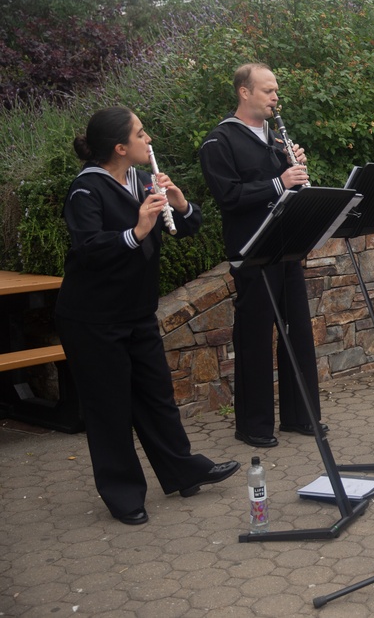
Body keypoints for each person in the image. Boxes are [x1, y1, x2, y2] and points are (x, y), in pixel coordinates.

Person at [56, 107, 240, 525]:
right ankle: (123, 493)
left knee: (156, 397)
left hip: (136, 311)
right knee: (110, 408)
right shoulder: (86, 191)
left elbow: (191, 226)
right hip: (92, 319)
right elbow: (88, 250)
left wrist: (180, 203)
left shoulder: (140, 180)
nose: (149, 139)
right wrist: (137, 231)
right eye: (141, 134)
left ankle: (183, 469)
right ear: (121, 147)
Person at [200, 63, 326, 448]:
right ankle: (253, 425)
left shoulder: (274, 140)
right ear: (244, 92)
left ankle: (300, 415)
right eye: (268, 90)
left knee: (299, 332)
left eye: (276, 91)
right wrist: (278, 180)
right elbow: (228, 197)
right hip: (252, 251)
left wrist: (294, 168)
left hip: (286, 247)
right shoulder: (219, 142)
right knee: (255, 338)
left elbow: (289, 193)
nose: (275, 97)